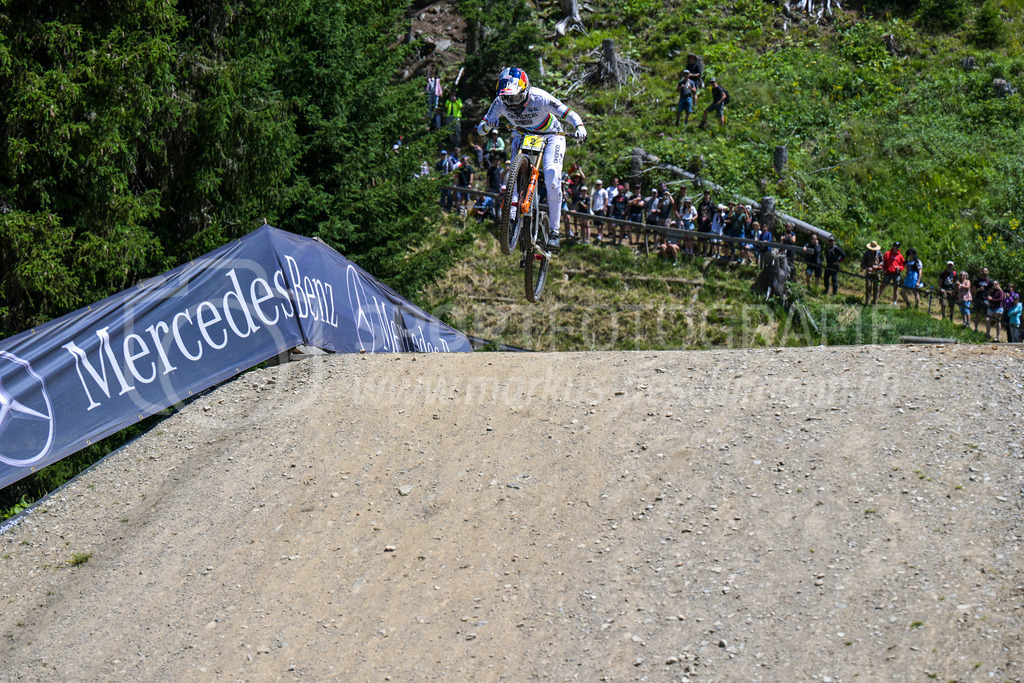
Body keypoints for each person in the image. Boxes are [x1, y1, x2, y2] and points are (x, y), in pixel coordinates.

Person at [476, 67, 586, 252]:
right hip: (522, 134)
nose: (512, 103)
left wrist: (580, 126)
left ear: (526, 91)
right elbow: (480, 129)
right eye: (507, 99)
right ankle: (511, 218)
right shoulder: (499, 102)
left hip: (550, 135)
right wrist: (488, 125)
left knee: (552, 177)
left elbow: (568, 113)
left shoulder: (540, 97)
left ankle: (554, 232)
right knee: (514, 174)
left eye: (517, 98)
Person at [973, 267, 992, 333]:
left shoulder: (989, 281)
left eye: (986, 271)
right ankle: (975, 329)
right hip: (978, 298)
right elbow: (973, 290)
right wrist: (979, 289)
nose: (984, 272)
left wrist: (989, 296)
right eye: (983, 271)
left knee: (987, 316)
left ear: (988, 272)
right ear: (981, 272)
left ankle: (987, 332)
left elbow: (991, 291)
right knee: (977, 314)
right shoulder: (977, 280)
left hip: (985, 299)